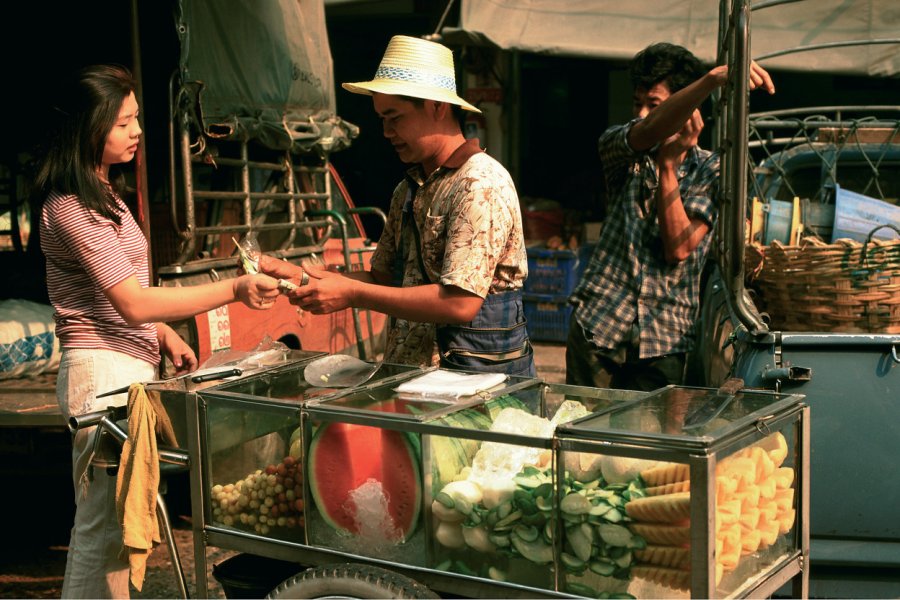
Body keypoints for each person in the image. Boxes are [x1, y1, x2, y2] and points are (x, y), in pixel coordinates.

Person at [33, 64, 281, 598]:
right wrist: (234, 288)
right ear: (89, 128)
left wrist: (164, 334)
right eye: (124, 122)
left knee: (123, 531)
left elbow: (125, 296)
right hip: (100, 374)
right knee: (100, 531)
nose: (138, 131)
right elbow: (133, 301)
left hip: (127, 369)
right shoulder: (71, 206)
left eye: (137, 118)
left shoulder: (106, 196)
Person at [262, 35, 535, 376]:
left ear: (437, 107)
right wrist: (306, 278)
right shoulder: (407, 189)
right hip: (411, 382)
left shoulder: (478, 184)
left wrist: (352, 293)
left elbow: (460, 302)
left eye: (395, 117)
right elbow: (384, 277)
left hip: (475, 389)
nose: (387, 132)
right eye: (382, 119)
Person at [566, 43, 774, 391]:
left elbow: (677, 248)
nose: (643, 114)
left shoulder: (713, 169)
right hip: (599, 326)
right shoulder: (621, 145)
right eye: (638, 103)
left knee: (651, 443)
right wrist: (712, 79)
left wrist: (667, 167)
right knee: (583, 441)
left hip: (665, 341)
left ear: (687, 109)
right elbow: (648, 132)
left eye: (655, 105)